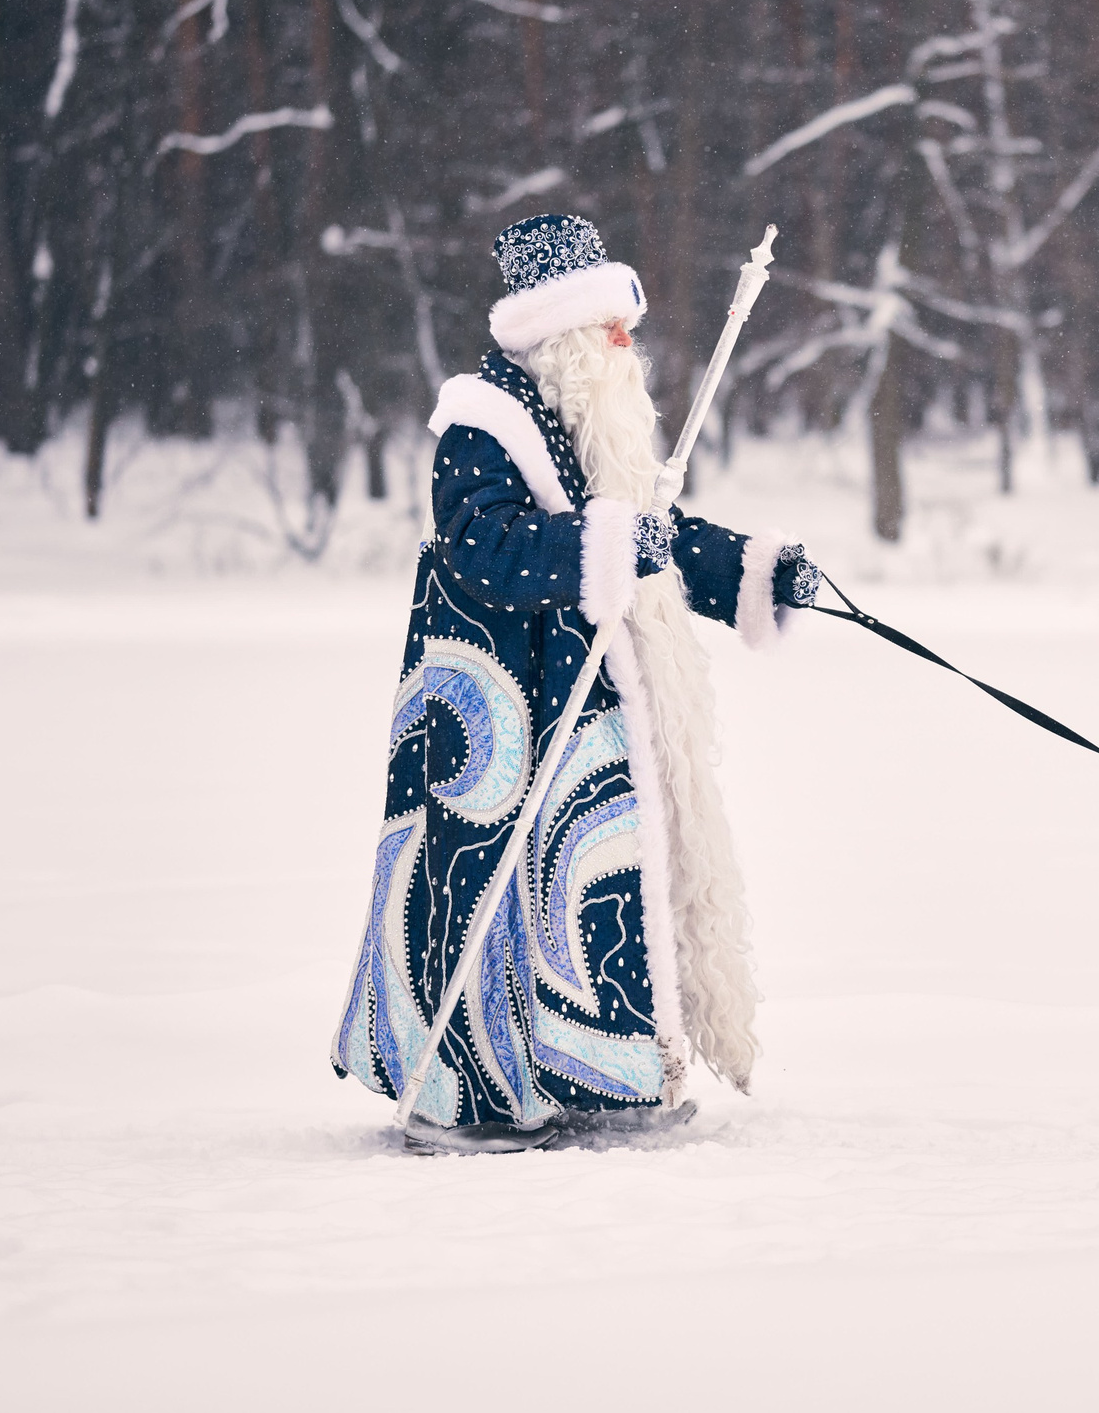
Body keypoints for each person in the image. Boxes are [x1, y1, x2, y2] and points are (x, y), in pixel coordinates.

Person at [330, 213, 817, 1152]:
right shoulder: (482, 419)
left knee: (589, 891)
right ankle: (466, 1094)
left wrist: (755, 571)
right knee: (486, 892)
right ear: (562, 335)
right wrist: (599, 543)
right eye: (610, 328)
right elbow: (484, 545)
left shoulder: (581, 423)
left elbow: (652, 536)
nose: (627, 345)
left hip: (582, 704)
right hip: (501, 716)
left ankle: (595, 1075)